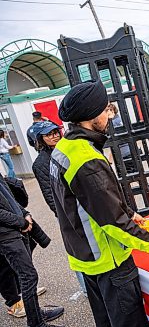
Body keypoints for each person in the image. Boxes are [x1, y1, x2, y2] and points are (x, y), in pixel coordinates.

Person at [50, 80, 149, 327]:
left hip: (86, 258)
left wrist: (129, 212)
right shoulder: (86, 159)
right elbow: (112, 221)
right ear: (91, 116)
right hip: (110, 263)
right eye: (105, 109)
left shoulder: (64, 147)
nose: (109, 115)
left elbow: (89, 200)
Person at [0, 173, 64, 327]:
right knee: (28, 276)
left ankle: (34, 312)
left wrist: (25, 214)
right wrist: (21, 221)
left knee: (22, 274)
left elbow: (8, 198)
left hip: (13, 229)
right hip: (5, 233)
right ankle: (35, 322)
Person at [31, 121, 87, 296]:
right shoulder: (40, 163)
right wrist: (63, 214)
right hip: (65, 212)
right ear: (40, 139)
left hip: (82, 204)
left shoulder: (65, 148)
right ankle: (86, 288)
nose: (55, 135)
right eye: (49, 134)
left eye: (56, 131)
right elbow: (49, 194)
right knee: (77, 248)